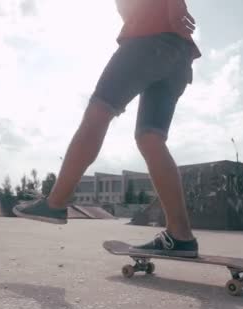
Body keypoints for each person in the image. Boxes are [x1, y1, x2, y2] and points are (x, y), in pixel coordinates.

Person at [14, 0, 202, 258]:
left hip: (149, 40)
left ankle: (55, 203)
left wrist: (173, 7)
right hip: (179, 55)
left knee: (97, 114)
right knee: (151, 138)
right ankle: (181, 235)